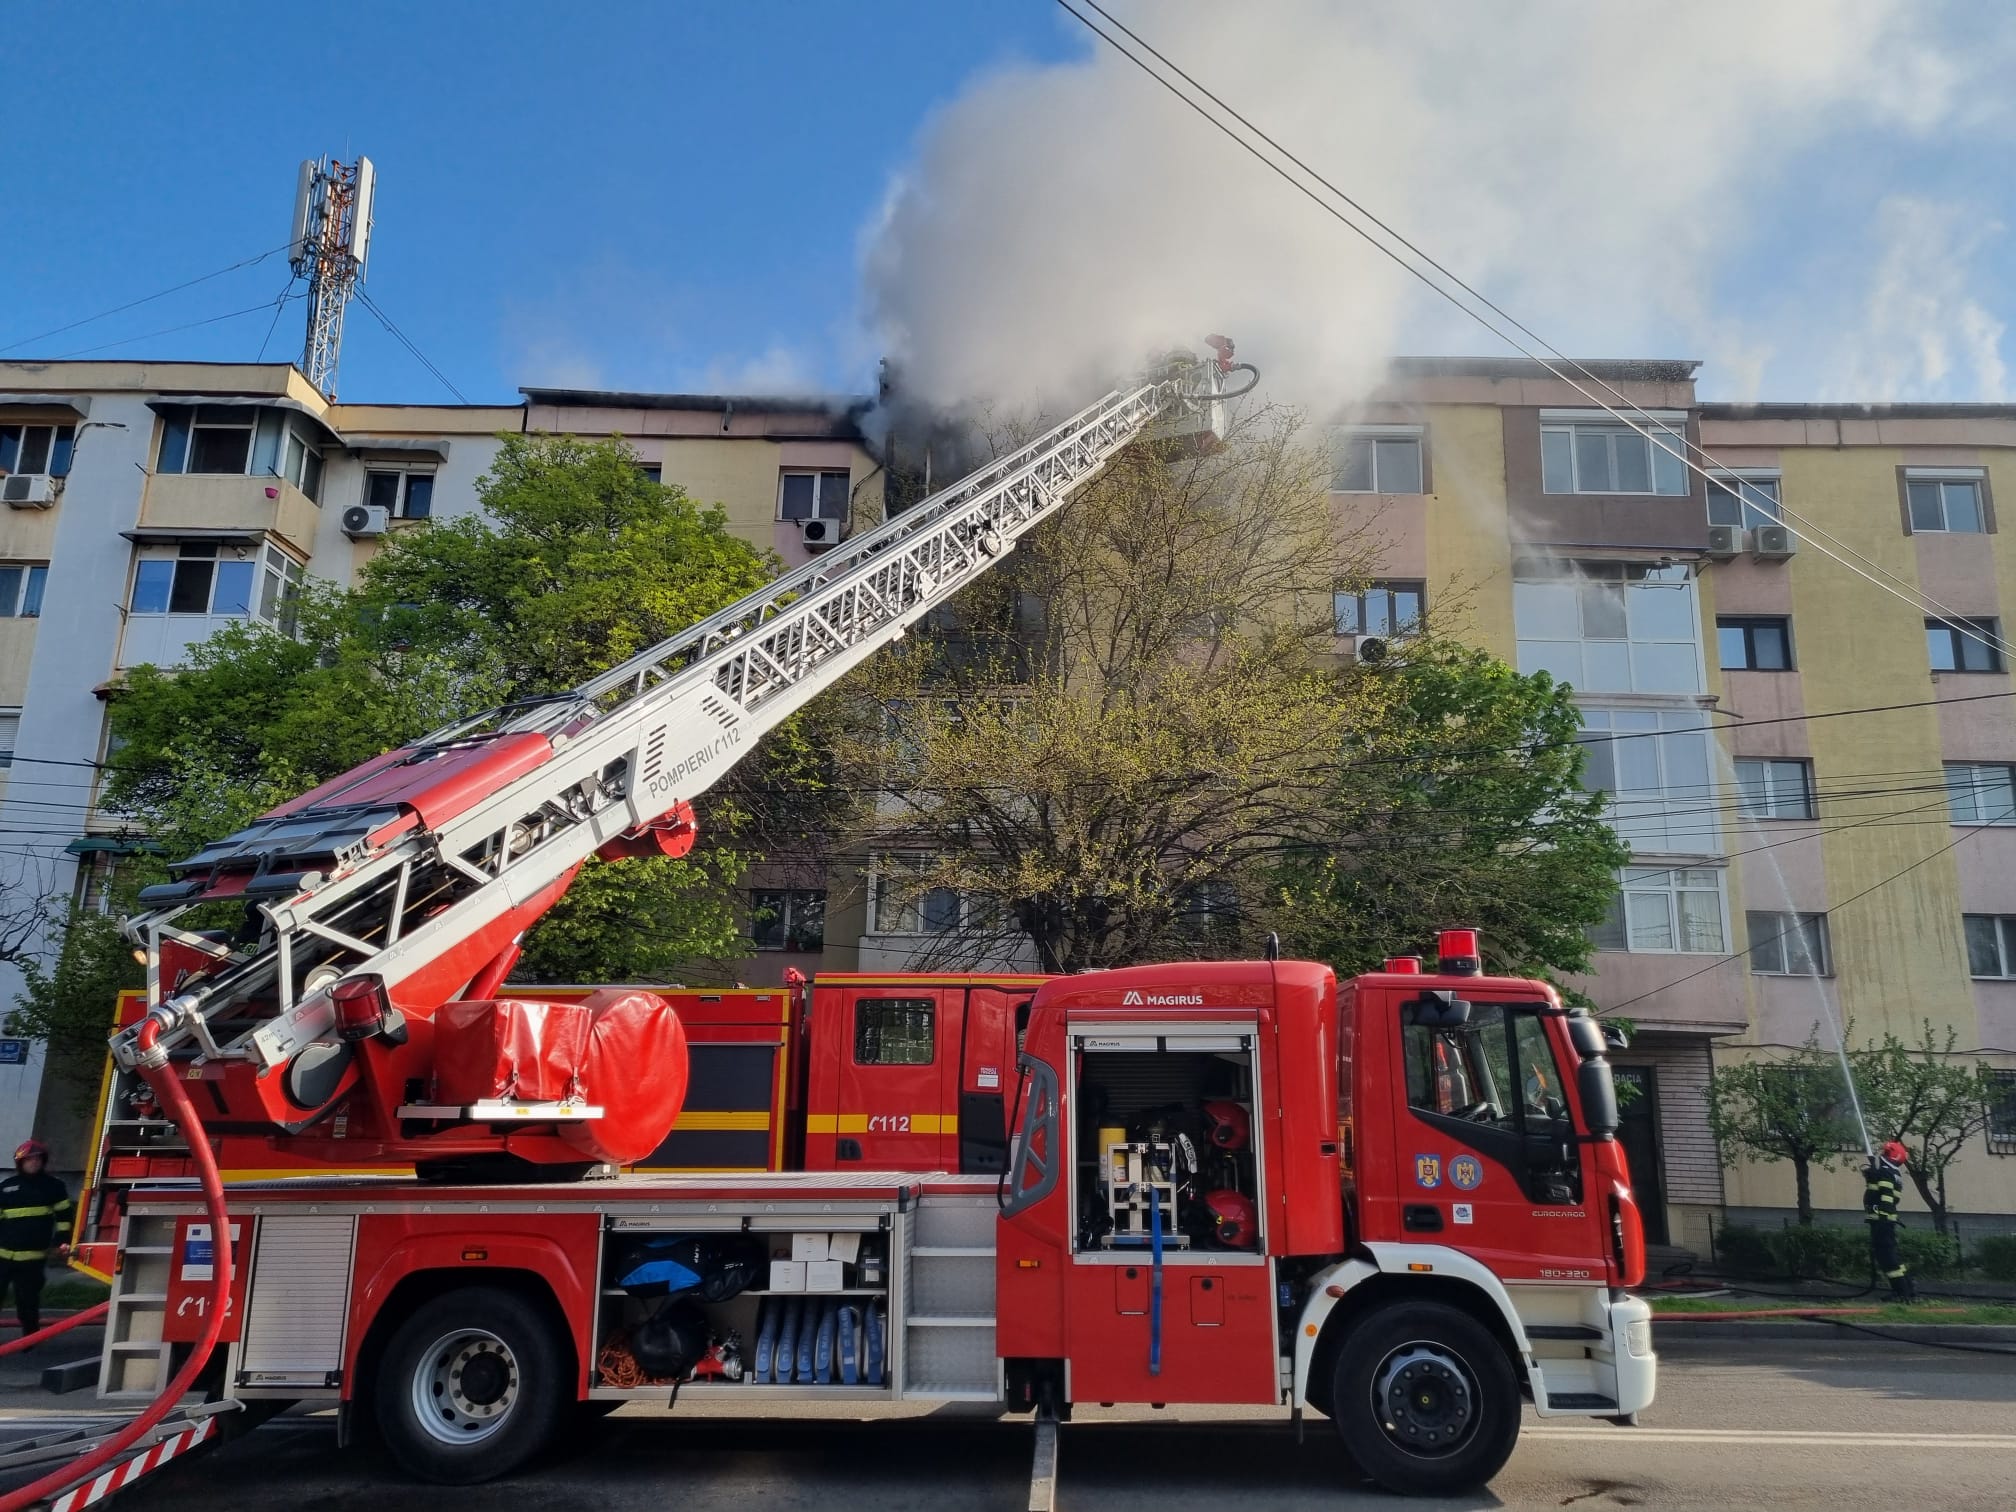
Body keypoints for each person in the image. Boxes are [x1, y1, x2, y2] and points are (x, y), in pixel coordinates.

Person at [0, 1139, 72, 1339]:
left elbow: (64, 1218)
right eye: (29, 1159)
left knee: (27, 1303)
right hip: (2, 1257)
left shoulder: (54, 1187)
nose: (34, 1162)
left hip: (32, 1260)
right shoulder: (6, 1187)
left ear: (43, 1161)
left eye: (37, 1159)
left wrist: (60, 1241)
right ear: (20, 1163)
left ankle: (30, 1341)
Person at [1862, 1139, 1916, 1302]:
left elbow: (1886, 1197)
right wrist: (1872, 1177)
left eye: (1886, 1153)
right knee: (1892, 1256)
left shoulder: (1886, 1172)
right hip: (1884, 1221)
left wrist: (1883, 1219)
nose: (1883, 1155)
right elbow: (1879, 1193)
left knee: (1888, 1258)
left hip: (1882, 1221)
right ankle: (1907, 1290)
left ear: (1893, 1156)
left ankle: (1902, 1292)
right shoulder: (1892, 1173)